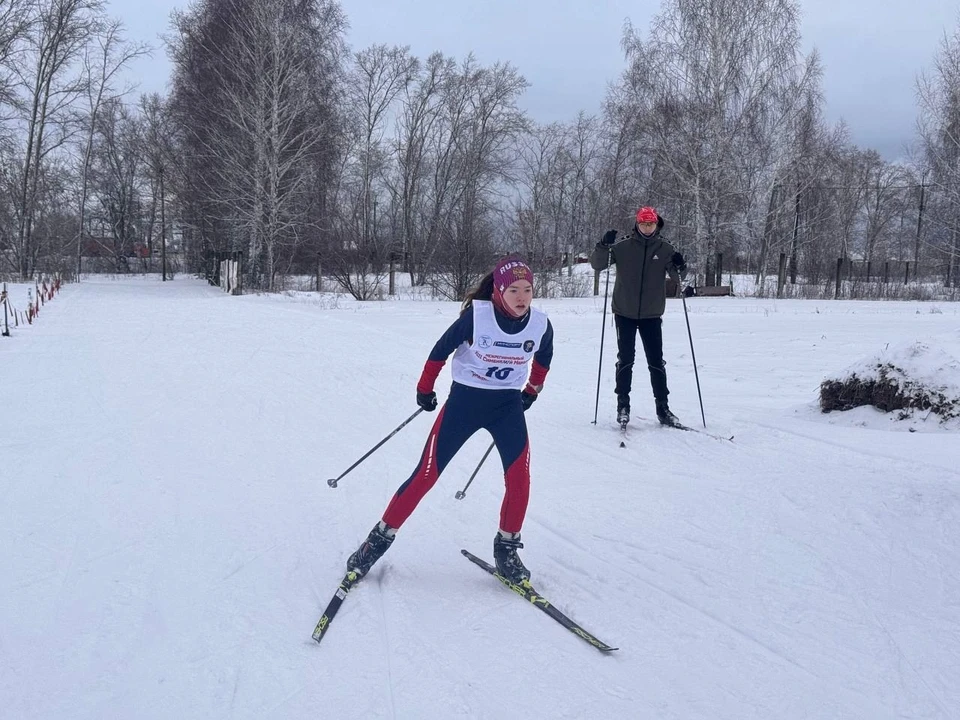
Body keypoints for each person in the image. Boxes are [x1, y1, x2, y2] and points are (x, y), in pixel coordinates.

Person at [346, 256, 554, 585]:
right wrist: (424, 390)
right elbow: (439, 351)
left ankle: (507, 549)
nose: (521, 297)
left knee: (520, 479)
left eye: (527, 289)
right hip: (464, 404)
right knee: (426, 475)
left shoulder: (540, 324)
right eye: (513, 289)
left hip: (507, 407)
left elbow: (544, 356)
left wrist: (532, 389)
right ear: (499, 291)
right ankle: (376, 541)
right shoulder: (477, 318)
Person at [590, 206, 687, 427]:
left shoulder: (665, 248)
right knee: (626, 360)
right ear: (637, 224)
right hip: (624, 311)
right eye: (643, 223)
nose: (647, 227)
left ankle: (663, 408)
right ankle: (623, 405)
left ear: (656, 224)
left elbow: (678, 276)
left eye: (650, 224)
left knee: (656, 362)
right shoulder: (623, 246)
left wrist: (682, 266)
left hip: (652, 313)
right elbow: (597, 264)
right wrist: (603, 245)